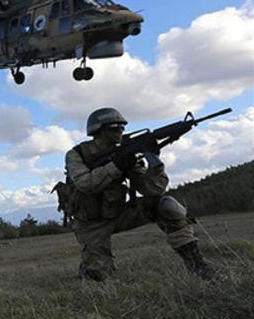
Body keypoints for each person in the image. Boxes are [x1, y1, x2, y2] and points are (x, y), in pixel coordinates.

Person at [65, 107, 215, 282]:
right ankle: (88, 268)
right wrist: (117, 166)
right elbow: (85, 184)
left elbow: (153, 189)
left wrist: (154, 162)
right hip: (90, 224)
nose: (120, 133)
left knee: (167, 205)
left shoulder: (124, 153)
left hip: (118, 213)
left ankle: (198, 267)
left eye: (122, 128)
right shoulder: (77, 154)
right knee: (99, 277)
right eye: (114, 128)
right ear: (98, 131)